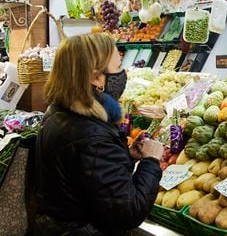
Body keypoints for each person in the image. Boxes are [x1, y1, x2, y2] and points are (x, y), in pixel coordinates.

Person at [35, 33, 164, 235]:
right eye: (118, 66)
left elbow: (89, 177)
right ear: (96, 78)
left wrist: (126, 156)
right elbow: (129, 212)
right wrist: (150, 162)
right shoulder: (91, 136)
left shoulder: (59, 111)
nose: (123, 73)